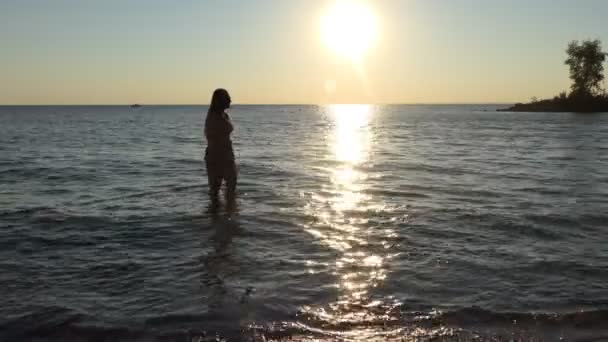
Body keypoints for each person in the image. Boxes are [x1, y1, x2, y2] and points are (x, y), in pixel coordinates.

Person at [204, 88, 237, 208]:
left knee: (230, 189)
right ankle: (218, 219)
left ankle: (228, 218)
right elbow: (211, 136)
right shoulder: (213, 116)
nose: (230, 100)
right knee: (215, 192)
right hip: (217, 156)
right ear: (220, 100)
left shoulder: (224, 115)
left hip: (226, 155)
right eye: (227, 97)